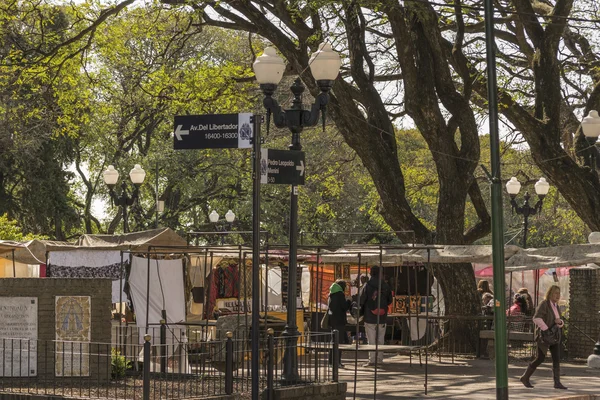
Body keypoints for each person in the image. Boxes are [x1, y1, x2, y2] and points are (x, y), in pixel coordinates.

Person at [520, 285, 567, 390]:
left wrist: (560, 322)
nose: (557, 295)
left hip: (554, 336)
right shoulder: (544, 304)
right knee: (540, 358)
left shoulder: (556, 306)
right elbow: (536, 318)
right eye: (555, 293)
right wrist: (546, 329)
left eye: (559, 293)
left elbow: (558, 321)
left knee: (556, 358)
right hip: (544, 337)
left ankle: (557, 382)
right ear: (550, 293)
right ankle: (525, 377)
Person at [360, 266, 392, 367]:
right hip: (382, 316)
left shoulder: (367, 285)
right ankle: (379, 360)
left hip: (369, 316)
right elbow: (390, 300)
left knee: (371, 340)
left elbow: (361, 300)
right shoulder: (386, 286)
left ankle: (372, 360)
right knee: (380, 339)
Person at [327, 279, 352, 367]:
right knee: (339, 342)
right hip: (339, 321)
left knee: (333, 341)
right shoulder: (340, 295)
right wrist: (349, 301)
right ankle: (336, 362)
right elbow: (344, 307)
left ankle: (331, 362)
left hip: (333, 321)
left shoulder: (331, 294)